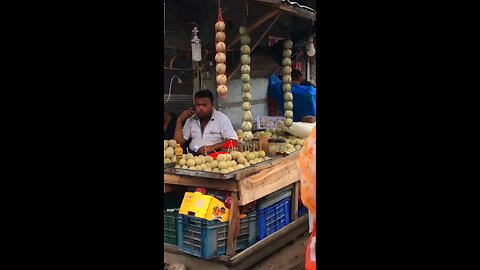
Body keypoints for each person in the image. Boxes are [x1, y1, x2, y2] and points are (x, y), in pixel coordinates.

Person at [174, 89, 238, 155]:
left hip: (215, 156)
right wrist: (179, 121)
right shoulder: (191, 119)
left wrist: (211, 148)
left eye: (204, 105)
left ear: (212, 105)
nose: (201, 108)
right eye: (198, 105)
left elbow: (233, 141)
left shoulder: (221, 119)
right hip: (192, 158)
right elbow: (178, 143)